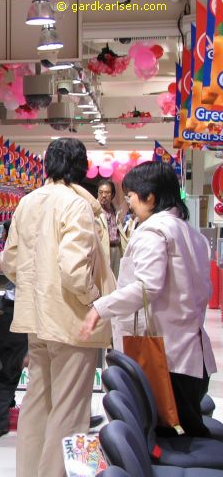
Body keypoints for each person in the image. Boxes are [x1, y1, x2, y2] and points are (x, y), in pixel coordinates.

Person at [0, 138, 114, 477]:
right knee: (69, 410)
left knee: (37, 404)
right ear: (81, 167)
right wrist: (94, 300)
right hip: (71, 321)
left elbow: (10, 262)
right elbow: (75, 270)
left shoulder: (28, 202)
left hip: (35, 319)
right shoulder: (77, 205)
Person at [80, 161, 217, 437]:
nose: (128, 203)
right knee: (184, 431)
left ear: (150, 197)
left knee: (166, 436)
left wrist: (100, 307)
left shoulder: (155, 231)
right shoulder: (192, 233)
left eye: (130, 196)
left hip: (166, 355)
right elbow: (203, 291)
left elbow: (147, 287)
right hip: (192, 353)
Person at [0, 220, 28, 438]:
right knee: (11, 368)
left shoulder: (9, 253)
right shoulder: (24, 252)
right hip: (18, 312)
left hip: (9, 312)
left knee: (10, 365)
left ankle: (3, 411)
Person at [96, 179, 125, 278]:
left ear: (112, 195)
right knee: (104, 279)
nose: (103, 195)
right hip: (102, 249)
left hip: (116, 248)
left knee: (116, 277)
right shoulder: (94, 210)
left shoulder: (115, 210)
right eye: (101, 192)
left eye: (107, 192)